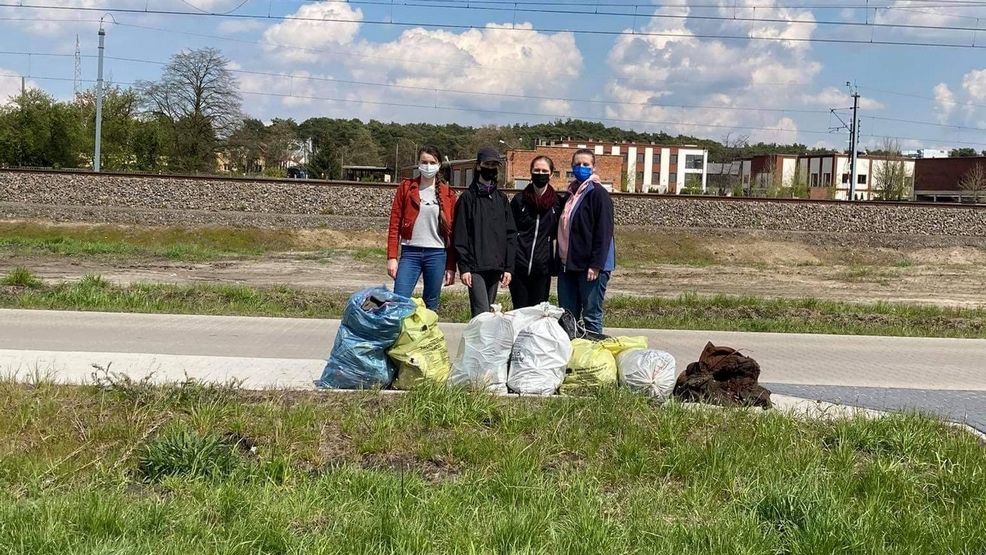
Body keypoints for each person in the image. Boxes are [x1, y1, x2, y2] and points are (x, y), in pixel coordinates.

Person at [386, 145, 457, 310]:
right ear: (418, 163)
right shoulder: (406, 188)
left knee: (430, 304)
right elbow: (394, 223)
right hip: (410, 253)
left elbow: (451, 233)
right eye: (424, 162)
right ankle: (400, 334)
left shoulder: (448, 194)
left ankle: (426, 335)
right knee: (400, 300)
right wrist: (392, 257)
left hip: (437, 254)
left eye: (432, 162)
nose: (428, 166)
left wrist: (451, 266)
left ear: (439, 165)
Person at [556, 148, 615, 334]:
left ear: (593, 167)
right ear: (572, 167)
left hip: (591, 268)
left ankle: (594, 356)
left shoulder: (598, 194)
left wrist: (595, 264)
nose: (581, 167)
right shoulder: (570, 195)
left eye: (585, 164)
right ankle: (573, 354)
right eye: (577, 164)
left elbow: (604, 232)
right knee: (568, 316)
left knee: (591, 315)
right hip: (569, 265)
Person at [453, 146, 517, 318]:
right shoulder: (467, 198)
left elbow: (510, 234)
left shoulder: (501, 199)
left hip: (496, 267)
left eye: (494, 165)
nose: (491, 168)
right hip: (476, 267)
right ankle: (477, 344)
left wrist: (508, 267)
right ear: (479, 166)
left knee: (490, 313)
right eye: (487, 164)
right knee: (481, 312)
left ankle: (485, 345)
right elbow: (460, 235)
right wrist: (464, 267)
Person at [509, 155, 562, 309]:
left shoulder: (557, 203)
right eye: (536, 170)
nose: (540, 174)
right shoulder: (519, 201)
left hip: (542, 268)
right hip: (519, 267)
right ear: (531, 172)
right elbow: (511, 233)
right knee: (520, 311)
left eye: (544, 170)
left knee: (537, 313)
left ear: (551, 174)